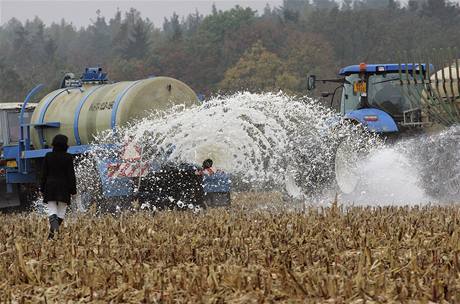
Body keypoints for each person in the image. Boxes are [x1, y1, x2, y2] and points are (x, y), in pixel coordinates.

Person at [40, 134, 77, 239]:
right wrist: (73, 191)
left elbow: (43, 174)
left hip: (50, 187)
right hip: (64, 188)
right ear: (65, 145)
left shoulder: (48, 156)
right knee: (61, 212)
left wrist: (41, 188)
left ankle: (52, 234)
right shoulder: (68, 157)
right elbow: (71, 176)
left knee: (52, 211)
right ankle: (52, 234)